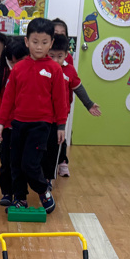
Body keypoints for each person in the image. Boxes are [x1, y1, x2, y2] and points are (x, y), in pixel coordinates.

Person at [0, 18, 68, 214]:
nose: (39, 47)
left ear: (51, 43)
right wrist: (1, 122)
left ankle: (43, 190)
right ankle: (20, 199)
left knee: (30, 164)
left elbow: (60, 99)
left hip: (41, 126)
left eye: (44, 42)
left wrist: (61, 126)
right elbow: (8, 98)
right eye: (35, 42)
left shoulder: (54, 69)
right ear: (27, 42)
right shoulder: (18, 68)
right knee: (16, 164)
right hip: (18, 124)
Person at [46, 33, 101, 180]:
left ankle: (49, 179)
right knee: (40, 147)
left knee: (55, 148)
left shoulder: (69, 70)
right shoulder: (43, 69)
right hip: (42, 116)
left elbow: (78, 88)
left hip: (59, 117)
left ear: (66, 55)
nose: (55, 60)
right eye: (51, 56)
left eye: (59, 56)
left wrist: (89, 104)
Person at [0, 37, 28, 207]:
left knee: (21, 163)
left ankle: (20, 195)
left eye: (17, 61)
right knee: (6, 162)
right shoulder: (6, 75)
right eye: (10, 62)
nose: (14, 65)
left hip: (24, 127)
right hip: (6, 128)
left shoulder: (31, 75)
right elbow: (0, 103)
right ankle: (7, 192)